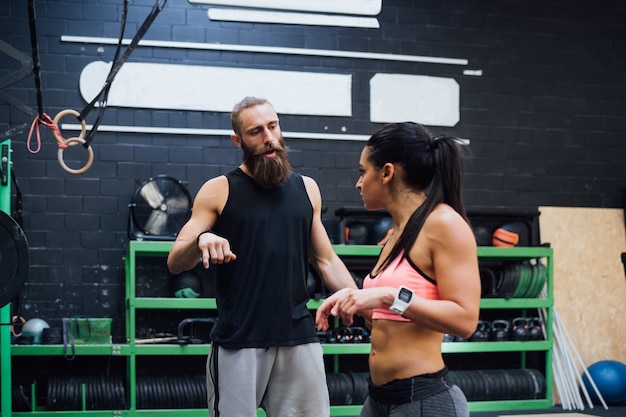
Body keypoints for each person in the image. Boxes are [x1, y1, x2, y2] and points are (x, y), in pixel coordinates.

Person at [167, 96, 358, 417]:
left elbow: (325, 260)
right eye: (256, 132)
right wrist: (201, 238)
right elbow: (175, 262)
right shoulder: (219, 189)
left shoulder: (307, 189)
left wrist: (360, 299)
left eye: (273, 126)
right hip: (240, 340)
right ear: (237, 140)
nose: (269, 138)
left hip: (299, 336)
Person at [315, 122, 481, 417]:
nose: (358, 183)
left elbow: (465, 320)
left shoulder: (444, 223)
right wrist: (350, 300)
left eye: (362, 171)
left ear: (387, 172)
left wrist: (388, 296)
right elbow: (390, 319)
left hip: (423, 399)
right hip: (379, 398)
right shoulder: (395, 234)